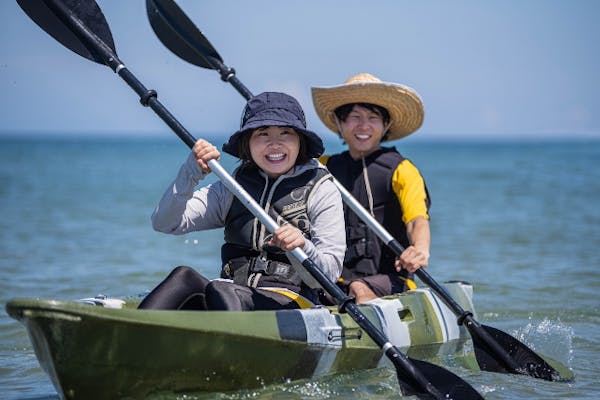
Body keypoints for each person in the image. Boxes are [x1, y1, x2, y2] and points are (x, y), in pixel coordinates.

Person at [139, 92, 345, 311]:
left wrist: (302, 247)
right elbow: (165, 222)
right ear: (248, 142)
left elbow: (328, 276)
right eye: (263, 134)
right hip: (231, 292)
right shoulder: (233, 187)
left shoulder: (322, 189)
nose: (274, 144)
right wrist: (190, 172)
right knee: (183, 277)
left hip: (292, 302)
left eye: (285, 133)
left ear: (300, 141)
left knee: (221, 290)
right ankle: (135, 334)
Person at [311, 73, 430, 304]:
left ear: (386, 124)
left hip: (391, 279)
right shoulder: (324, 167)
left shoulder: (402, 169)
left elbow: (417, 219)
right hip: (333, 280)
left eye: (373, 117)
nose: (363, 126)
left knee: (358, 286)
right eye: (354, 117)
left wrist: (420, 249)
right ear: (339, 122)